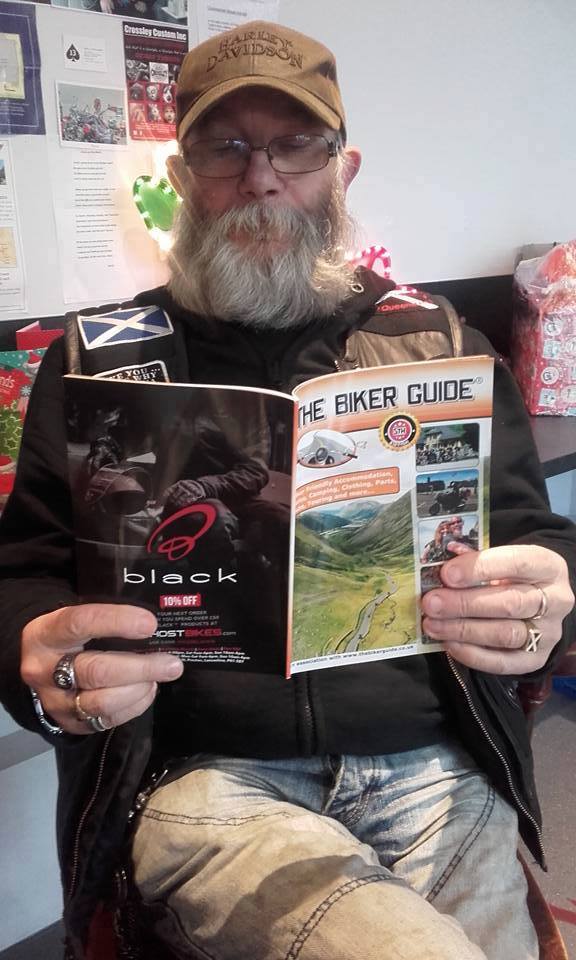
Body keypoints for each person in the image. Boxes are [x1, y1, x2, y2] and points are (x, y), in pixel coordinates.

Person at [0, 20, 575, 960]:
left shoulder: (439, 338)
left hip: (431, 763)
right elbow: (21, 570)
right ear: (182, 178)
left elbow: (532, 529)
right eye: (224, 147)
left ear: (342, 171)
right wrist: (34, 653)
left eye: (294, 144)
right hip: (202, 778)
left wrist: (545, 591)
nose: (260, 177)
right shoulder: (98, 359)